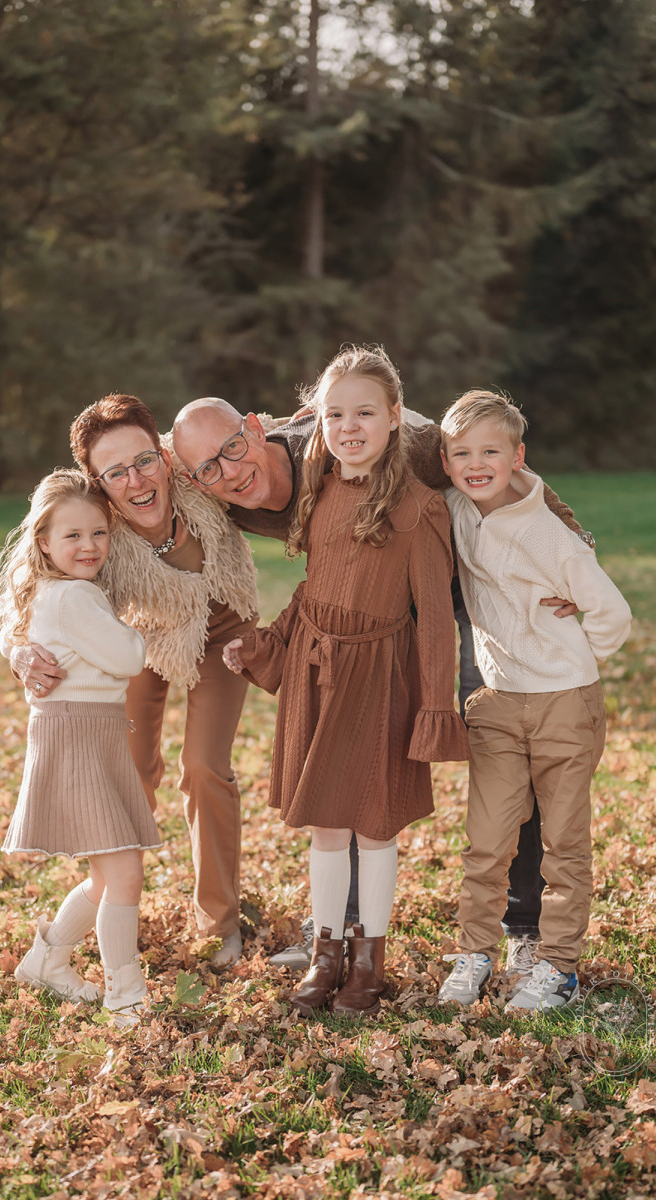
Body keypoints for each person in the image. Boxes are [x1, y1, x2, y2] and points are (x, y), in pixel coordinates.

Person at [173, 387, 590, 975]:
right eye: (207, 468)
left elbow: (488, 455)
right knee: (345, 750)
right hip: (372, 618)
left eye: (233, 449)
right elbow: (131, 483)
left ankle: (524, 924)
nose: (230, 472)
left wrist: (573, 547)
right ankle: (340, 927)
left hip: (466, 590)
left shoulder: (354, 439)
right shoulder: (217, 489)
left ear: (255, 430)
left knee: (506, 750)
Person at [221, 345, 470, 1017]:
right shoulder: (320, 489)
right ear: (317, 421)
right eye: (335, 414)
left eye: (364, 413)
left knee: (375, 825)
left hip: (380, 678)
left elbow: (435, 622)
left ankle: (368, 961)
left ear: (395, 417)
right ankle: (325, 954)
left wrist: (435, 709)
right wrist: (268, 645)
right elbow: (315, 589)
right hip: (317, 673)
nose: (349, 427)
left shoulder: (420, 509)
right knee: (327, 827)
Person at [9, 396, 258, 970]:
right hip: (140, 636)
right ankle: (116, 897)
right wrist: (18, 650)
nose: (136, 481)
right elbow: (26, 588)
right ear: (98, 484)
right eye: (115, 472)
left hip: (223, 632)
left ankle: (219, 921)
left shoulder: (202, 473)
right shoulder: (97, 531)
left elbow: (265, 437)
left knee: (204, 767)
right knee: (130, 768)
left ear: (165, 455)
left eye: (145, 461)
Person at [437, 391, 631, 1011]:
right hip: (496, 701)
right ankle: (474, 954)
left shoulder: (552, 536)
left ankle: (557, 968)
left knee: (563, 844)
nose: (476, 464)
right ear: (445, 461)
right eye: (462, 453)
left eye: (490, 452)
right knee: (486, 840)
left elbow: (613, 614)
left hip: (563, 704)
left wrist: (570, 652)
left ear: (517, 457)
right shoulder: (455, 508)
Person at [0, 469, 163, 1024]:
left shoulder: (49, 590)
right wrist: (141, 626)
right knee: (124, 871)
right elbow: (129, 657)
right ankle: (125, 995)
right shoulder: (76, 596)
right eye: (72, 535)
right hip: (81, 736)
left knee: (108, 874)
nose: (89, 546)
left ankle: (47, 960)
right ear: (43, 541)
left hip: (85, 730)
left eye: (99, 533)